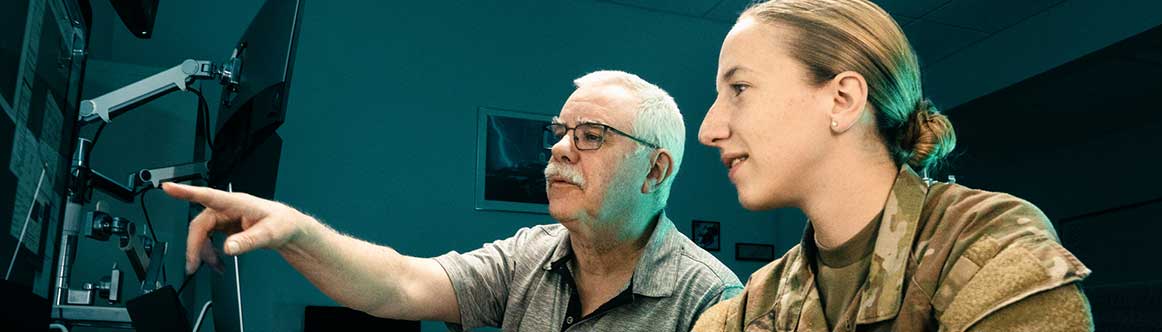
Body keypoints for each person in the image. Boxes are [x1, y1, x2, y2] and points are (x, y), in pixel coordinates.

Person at [164, 70, 742, 331]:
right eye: (559, 132)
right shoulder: (530, 256)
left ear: (655, 169)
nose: (560, 150)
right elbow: (399, 285)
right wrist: (295, 230)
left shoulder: (712, 300)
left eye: (590, 136)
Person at [692, 1, 1092, 331]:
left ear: (842, 99)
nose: (709, 129)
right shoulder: (756, 303)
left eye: (739, 88)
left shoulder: (985, 248)